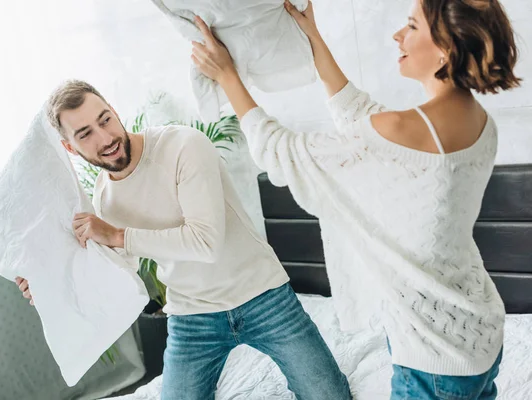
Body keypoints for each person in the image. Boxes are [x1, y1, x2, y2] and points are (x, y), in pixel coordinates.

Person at [190, 0, 521, 398]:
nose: (398, 35)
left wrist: (228, 77)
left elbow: (283, 151)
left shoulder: (399, 130)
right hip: (480, 333)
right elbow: (363, 117)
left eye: (412, 26)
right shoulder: (481, 123)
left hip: (435, 361)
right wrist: (313, 37)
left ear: (445, 50)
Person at [16, 80, 351, 400]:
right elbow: (120, 268)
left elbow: (205, 243)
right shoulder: (105, 197)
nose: (105, 138)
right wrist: (51, 287)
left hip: (262, 296)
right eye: (85, 134)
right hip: (192, 317)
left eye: (105, 120)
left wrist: (117, 235)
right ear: (69, 147)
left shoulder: (183, 145)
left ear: (114, 110)